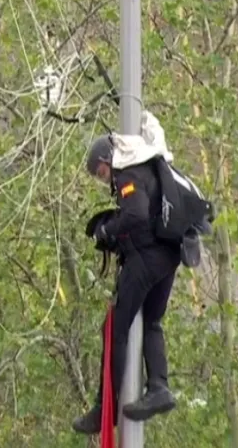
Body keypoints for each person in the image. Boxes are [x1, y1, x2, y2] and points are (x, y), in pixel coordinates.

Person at [72, 134, 179, 435]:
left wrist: (107, 231)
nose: (104, 180)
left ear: (109, 160)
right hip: (170, 256)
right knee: (152, 322)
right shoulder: (149, 166)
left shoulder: (128, 174)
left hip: (146, 260)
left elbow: (136, 214)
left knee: (115, 329)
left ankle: (105, 406)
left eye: (102, 173)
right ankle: (159, 387)